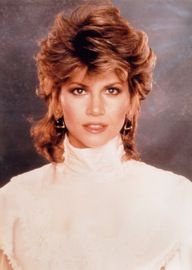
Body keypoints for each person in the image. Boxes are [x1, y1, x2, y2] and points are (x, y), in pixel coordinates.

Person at [0, 2, 192, 270]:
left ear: (132, 101)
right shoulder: (13, 201)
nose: (96, 109)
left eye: (111, 90)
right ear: (56, 99)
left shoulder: (176, 197)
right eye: (79, 90)